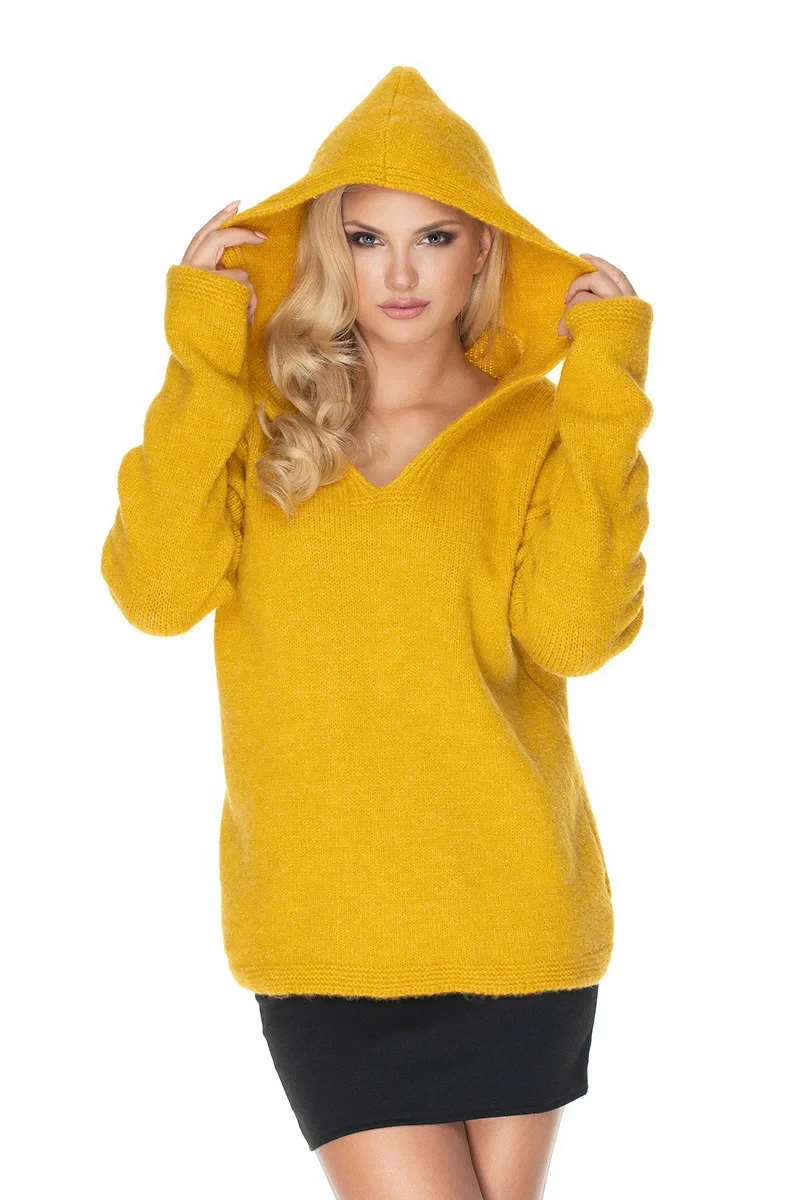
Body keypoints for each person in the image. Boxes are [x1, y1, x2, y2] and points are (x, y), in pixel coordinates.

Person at [100, 66, 654, 1198]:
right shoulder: (258, 419)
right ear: (327, 248)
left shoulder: (536, 429)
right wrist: (203, 355)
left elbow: (574, 635)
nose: (399, 274)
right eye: (365, 238)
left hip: (513, 918)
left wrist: (605, 401)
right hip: (323, 935)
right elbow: (154, 593)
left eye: (433, 238)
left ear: (482, 252)